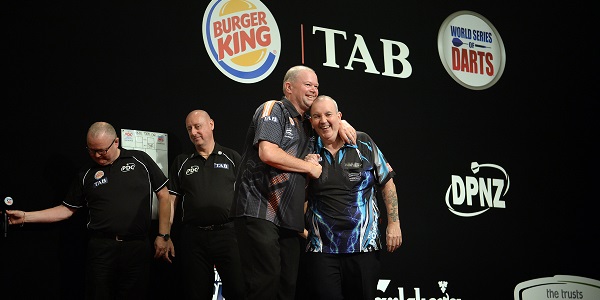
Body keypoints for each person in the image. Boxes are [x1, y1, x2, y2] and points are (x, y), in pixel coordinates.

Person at [4, 121, 174, 300]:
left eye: (102, 150)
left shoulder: (140, 160)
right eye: (91, 150)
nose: (97, 155)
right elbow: (66, 210)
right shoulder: (86, 173)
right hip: (102, 248)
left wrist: (164, 235)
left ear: (116, 142)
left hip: (136, 246)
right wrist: (24, 217)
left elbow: (164, 195)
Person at [229, 65, 356, 300]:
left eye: (317, 86)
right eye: (308, 85)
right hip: (259, 209)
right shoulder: (273, 109)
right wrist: (308, 166)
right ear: (289, 87)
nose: (314, 90)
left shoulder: (308, 124)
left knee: (287, 287)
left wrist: (343, 122)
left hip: (288, 218)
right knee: (264, 284)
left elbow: (328, 122)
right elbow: (267, 152)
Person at [303, 95, 402, 300]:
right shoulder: (306, 150)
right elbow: (297, 196)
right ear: (310, 122)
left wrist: (394, 223)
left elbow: (387, 182)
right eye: (317, 116)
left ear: (339, 116)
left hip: (363, 247)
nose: (323, 120)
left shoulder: (362, 142)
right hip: (322, 250)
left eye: (328, 114)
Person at [167, 110, 244, 300]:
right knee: (196, 293)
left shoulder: (232, 157)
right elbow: (170, 201)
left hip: (228, 235)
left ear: (211, 124)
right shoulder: (181, 162)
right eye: (189, 129)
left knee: (238, 290)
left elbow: (247, 197)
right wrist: (165, 234)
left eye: (197, 126)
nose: (193, 132)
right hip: (194, 238)